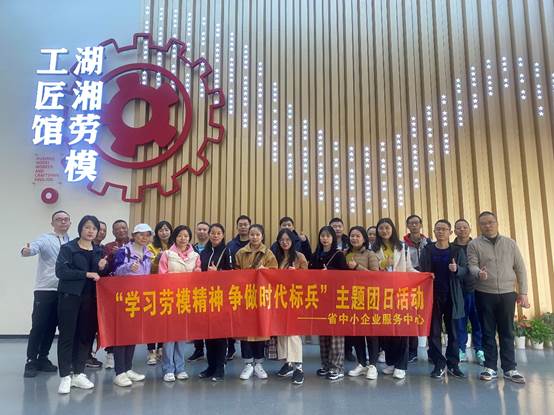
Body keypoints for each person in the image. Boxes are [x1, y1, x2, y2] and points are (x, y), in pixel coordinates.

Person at [467, 211, 529, 384]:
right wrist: (478, 273)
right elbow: (472, 265)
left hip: (508, 293)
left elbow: (520, 268)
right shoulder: (474, 244)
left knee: (507, 331)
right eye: (484, 223)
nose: (488, 226)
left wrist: (523, 292)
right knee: (487, 331)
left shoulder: (510, 243)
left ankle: (510, 368)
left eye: (491, 222)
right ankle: (490, 367)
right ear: (480, 226)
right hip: (484, 293)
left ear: (496, 223)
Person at [55, 215, 108, 394]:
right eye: (87, 227)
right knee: (67, 336)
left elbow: (101, 275)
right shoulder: (68, 248)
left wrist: (103, 267)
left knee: (85, 336)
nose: (91, 231)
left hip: (90, 299)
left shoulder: (99, 250)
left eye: (94, 228)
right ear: (80, 229)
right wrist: (85, 274)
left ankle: (78, 373)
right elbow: (61, 272)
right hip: (70, 297)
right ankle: (65, 376)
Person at [20, 210, 71, 378]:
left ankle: (43, 358)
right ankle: (31, 360)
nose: (63, 222)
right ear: (53, 223)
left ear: (69, 223)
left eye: (66, 219)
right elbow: (33, 248)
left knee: (51, 327)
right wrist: (27, 250)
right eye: (59, 219)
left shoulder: (72, 241)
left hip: (63, 290)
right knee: (39, 325)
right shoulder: (45, 239)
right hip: (45, 289)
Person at [419, 220, 467, 379]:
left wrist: (457, 269)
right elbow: (422, 269)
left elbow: (465, 271)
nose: (440, 232)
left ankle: (453, 364)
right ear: (434, 231)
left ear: (450, 232)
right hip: (432, 296)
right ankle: (439, 364)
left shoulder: (457, 251)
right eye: (438, 229)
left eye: (444, 229)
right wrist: (426, 275)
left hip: (452, 295)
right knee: (433, 332)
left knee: (454, 331)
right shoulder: (428, 249)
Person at [373, 218, 417, 380]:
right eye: (381, 228)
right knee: (386, 329)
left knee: (401, 329)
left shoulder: (402, 247)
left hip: (400, 292)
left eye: (387, 227)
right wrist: (385, 263)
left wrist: (423, 276)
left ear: (392, 229)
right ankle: (391, 362)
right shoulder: (373, 248)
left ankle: (401, 365)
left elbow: (409, 268)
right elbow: (372, 270)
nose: (384, 231)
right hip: (382, 294)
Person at [111, 224, 153, 387]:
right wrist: (128, 267)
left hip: (139, 298)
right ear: (134, 235)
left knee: (132, 334)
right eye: (140, 234)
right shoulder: (124, 251)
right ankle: (119, 372)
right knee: (122, 334)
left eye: (147, 235)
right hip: (124, 298)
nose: (144, 237)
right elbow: (115, 271)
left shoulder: (148, 254)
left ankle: (128, 368)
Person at [158, 225, 201, 382]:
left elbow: (197, 277)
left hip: (186, 299)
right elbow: (162, 276)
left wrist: (198, 273)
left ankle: (180, 368)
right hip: (170, 298)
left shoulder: (195, 255)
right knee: (169, 335)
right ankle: (168, 369)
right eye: (180, 236)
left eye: (186, 236)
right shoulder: (167, 254)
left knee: (182, 335)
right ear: (175, 237)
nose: (183, 238)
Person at [235, 224, 278, 380]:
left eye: (257, 234)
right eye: (252, 234)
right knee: (246, 331)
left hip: (261, 297)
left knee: (261, 330)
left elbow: (275, 273)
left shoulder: (268, 253)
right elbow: (234, 274)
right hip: (245, 297)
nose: (254, 237)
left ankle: (259, 364)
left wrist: (265, 271)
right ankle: (247, 364)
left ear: (262, 236)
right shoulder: (241, 253)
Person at [310, 226, 349, 381]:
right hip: (320, 298)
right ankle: (326, 365)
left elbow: (345, 276)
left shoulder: (338, 255)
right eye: (322, 236)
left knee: (336, 334)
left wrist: (330, 272)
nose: (325, 239)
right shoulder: (315, 255)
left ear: (333, 238)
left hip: (336, 298)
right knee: (324, 334)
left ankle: (337, 367)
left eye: (328, 236)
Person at [198, 223, 233, 382]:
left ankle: (220, 367)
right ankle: (210, 366)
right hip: (205, 297)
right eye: (213, 233)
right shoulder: (204, 252)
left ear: (223, 235)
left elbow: (232, 273)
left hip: (221, 297)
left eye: (218, 233)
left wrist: (217, 273)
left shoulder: (227, 250)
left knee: (220, 334)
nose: (215, 235)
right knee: (208, 334)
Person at [344, 226, 380, 380]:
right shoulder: (345, 254)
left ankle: (373, 365)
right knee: (356, 332)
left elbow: (376, 275)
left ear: (364, 238)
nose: (354, 238)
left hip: (368, 297)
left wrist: (357, 267)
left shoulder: (370, 254)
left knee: (370, 332)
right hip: (350, 298)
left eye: (358, 236)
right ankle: (361, 363)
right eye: (352, 236)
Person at [274, 228, 309, 385]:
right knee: (282, 332)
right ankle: (288, 363)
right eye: (282, 240)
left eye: (288, 239)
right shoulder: (276, 256)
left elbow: (307, 278)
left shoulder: (299, 257)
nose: (285, 242)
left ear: (293, 241)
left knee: (293, 333)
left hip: (295, 299)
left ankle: (298, 368)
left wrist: (297, 273)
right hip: (279, 299)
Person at [453, 219, 484, 365]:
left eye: (465, 227)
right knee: (460, 322)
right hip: (458, 290)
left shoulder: (477, 246)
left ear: (470, 229)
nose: (462, 230)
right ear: (454, 231)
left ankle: (480, 350)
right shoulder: (451, 248)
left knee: (478, 321)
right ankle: (461, 349)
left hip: (477, 289)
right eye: (458, 228)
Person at [403, 214, 431, 361]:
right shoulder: (402, 244)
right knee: (411, 316)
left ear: (421, 225)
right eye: (411, 223)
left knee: (429, 315)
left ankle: (432, 352)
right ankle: (412, 351)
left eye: (416, 223)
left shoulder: (429, 242)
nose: (414, 225)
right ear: (407, 226)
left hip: (427, 283)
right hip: (410, 283)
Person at [102, 219, 130, 369]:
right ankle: (110, 353)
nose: (121, 230)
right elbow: (105, 269)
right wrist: (113, 256)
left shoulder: (133, 244)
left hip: (131, 290)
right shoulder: (108, 247)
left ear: (127, 229)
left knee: (128, 323)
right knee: (113, 322)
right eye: (117, 229)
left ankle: (127, 357)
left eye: (123, 228)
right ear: (113, 232)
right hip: (113, 290)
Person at [145, 220, 173, 364]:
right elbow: (148, 267)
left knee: (164, 319)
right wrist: (157, 259)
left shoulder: (174, 247)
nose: (164, 232)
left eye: (166, 229)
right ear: (156, 233)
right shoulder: (150, 247)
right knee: (151, 320)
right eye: (161, 230)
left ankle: (161, 348)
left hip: (169, 288)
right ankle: (151, 351)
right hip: (152, 288)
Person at [225, 214, 252, 360]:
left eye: (245, 224)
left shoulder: (255, 242)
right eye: (240, 225)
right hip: (233, 287)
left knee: (246, 321)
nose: (243, 227)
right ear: (237, 227)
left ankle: (248, 353)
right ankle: (231, 348)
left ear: (249, 226)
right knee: (231, 318)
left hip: (250, 289)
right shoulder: (230, 245)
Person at [86, 220, 108, 369]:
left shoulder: (102, 249)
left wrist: (102, 268)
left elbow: (104, 272)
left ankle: (88, 355)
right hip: (83, 293)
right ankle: (81, 357)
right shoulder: (83, 247)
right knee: (83, 328)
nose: (101, 232)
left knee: (92, 327)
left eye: (104, 230)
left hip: (98, 294)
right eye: (98, 229)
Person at [188, 221, 211, 361]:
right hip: (194, 289)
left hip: (211, 289)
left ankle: (212, 350)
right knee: (196, 320)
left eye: (205, 229)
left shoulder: (213, 248)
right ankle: (198, 349)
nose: (202, 232)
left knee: (210, 320)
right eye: (199, 229)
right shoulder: (190, 248)